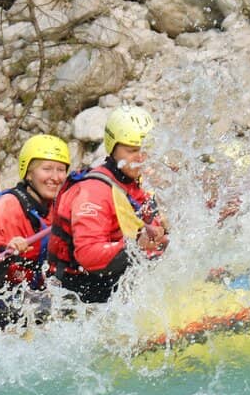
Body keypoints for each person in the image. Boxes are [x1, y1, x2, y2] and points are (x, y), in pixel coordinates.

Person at [48, 106, 167, 303]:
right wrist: (136, 245)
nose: (141, 157)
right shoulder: (94, 191)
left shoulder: (136, 183)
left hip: (117, 282)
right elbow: (87, 254)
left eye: (145, 149)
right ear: (113, 148)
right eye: (132, 150)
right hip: (82, 293)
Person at [0, 134, 71, 335]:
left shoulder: (56, 208)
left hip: (25, 296)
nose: (55, 177)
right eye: (47, 169)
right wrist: (4, 251)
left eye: (60, 170)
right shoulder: (9, 206)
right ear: (29, 174)